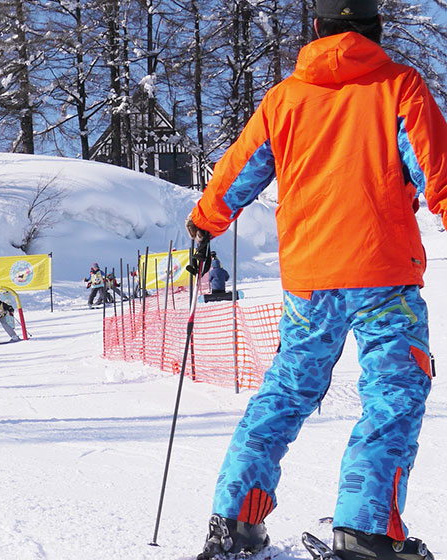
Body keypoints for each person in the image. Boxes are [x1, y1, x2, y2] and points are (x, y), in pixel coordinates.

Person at [185, 1, 447, 558]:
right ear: (375, 28)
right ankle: (364, 529)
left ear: (316, 29)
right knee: (392, 397)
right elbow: (437, 171)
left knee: (284, 394)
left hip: (309, 281)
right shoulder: (400, 87)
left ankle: (234, 521)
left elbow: (240, 168)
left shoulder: (285, 99)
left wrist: (205, 222)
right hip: (384, 278)